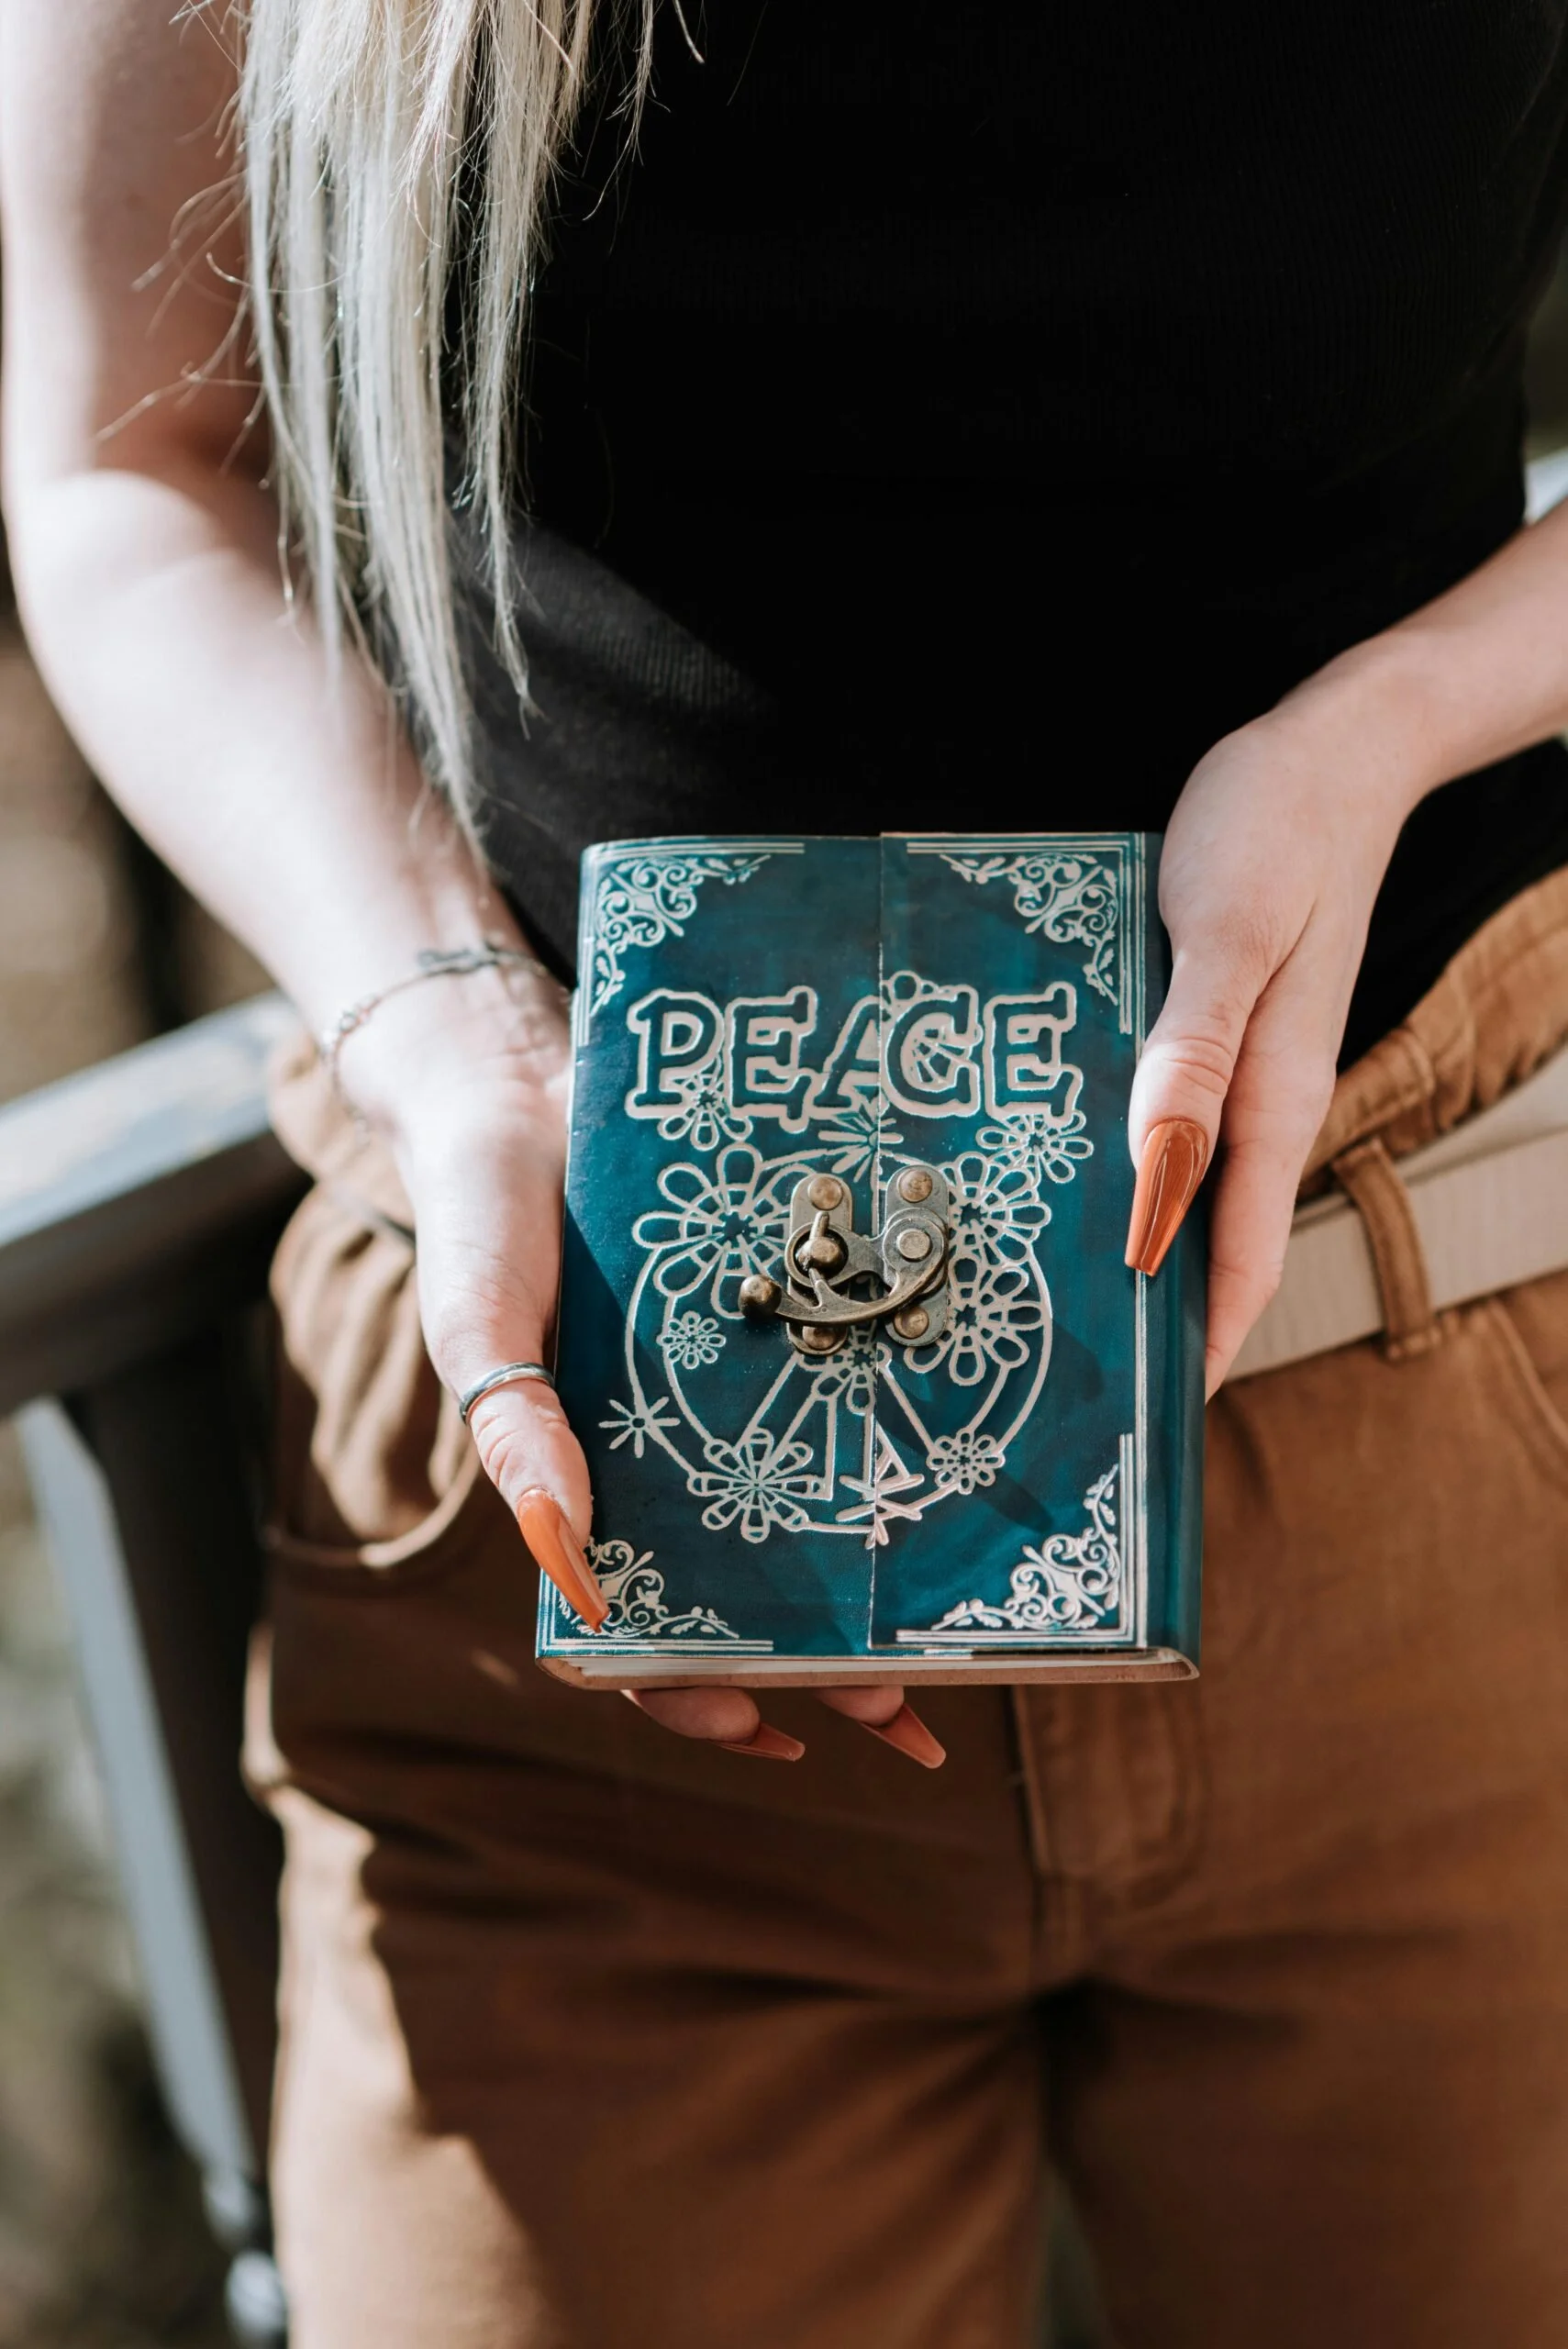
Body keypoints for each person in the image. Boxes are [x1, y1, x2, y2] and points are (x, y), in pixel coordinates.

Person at [6, 2, 1568, 2342]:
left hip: (1434, 1448)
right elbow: (131, 463)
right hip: (565, 1518)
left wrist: (1379, 732)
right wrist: (445, 1025)